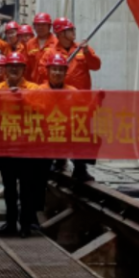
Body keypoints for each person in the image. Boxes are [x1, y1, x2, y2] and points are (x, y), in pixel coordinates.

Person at [0, 52, 47, 237]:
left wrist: (23, 98)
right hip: (6, 146)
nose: (14, 69)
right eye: (11, 66)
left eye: (18, 66)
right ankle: (10, 223)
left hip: (27, 147)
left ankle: (25, 224)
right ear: (5, 69)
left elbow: (43, 110)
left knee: (27, 188)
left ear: (24, 69)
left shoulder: (34, 89)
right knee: (9, 187)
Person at [44, 18, 101, 182]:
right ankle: (59, 160)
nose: (74, 32)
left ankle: (80, 167)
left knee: (82, 133)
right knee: (59, 131)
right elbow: (43, 74)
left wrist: (88, 53)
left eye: (73, 29)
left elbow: (96, 66)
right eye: (70, 30)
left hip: (81, 101)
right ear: (60, 33)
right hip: (59, 100)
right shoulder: (51, 52)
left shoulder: (82, 49)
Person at [26, 12, 57, 84]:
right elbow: (27, 68)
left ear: (49, 26)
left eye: (43, 24)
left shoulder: (56, 43)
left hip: (51, 85)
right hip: (33, 85)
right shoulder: (29, 44)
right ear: (34, 27)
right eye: (38, 25)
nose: (40, 27)